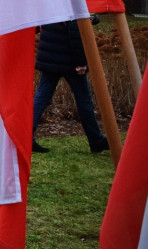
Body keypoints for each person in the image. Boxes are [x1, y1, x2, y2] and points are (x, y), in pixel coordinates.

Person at [31, 19, 109, 154]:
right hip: (70, 61)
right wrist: (81, 63)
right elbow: (75, 32)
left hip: (50, 58)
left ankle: (26, 137)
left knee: (41, 98)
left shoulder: (52, 4)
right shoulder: (71, 4)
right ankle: (96, 140)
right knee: (84, 101)